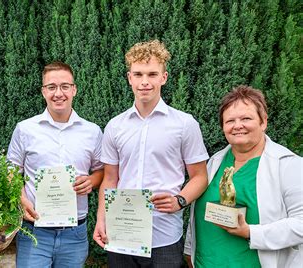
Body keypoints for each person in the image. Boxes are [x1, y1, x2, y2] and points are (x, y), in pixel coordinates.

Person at [93, 40, 209, 267]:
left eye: (152, 74)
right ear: (129, 78)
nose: (145, 82)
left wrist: (180, 200)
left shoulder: (185, 124)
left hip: (164, 235)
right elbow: (109, 178)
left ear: (163, 78)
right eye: (138, 74)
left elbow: (200, 176)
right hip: (122, 233)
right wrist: (101, 219)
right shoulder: (115, 126)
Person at [184, 85, 303, 267]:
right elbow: (198, 216)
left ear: (263, 122)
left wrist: (250, 232)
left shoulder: (288, 165)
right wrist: (189, 253)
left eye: (246, 118)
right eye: (230, 121)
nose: (237, 126)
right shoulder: (215, 162)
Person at [7, 61, 104, 267]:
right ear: (43, 91)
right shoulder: (25, 129)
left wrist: (92, 181)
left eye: (65, 86)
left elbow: (101, 170)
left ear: (74, 89)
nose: (58, 93)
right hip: (35, 230)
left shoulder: (92, 131)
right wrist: (21, 198)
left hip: (74, 234)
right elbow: (11, 170)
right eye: (51, 87)